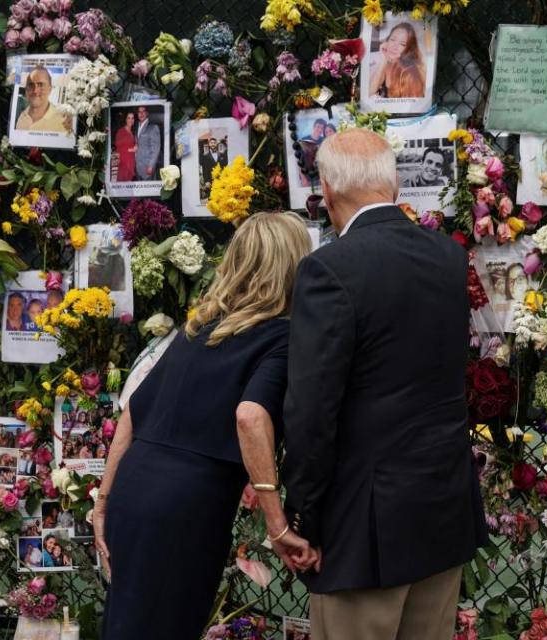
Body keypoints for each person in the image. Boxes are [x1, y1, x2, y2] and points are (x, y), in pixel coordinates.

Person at [282, 128, 488, 639]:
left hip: (364, 523)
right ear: (395, 184)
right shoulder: (447, 255)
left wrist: (302, 518)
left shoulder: (328, 269)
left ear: (327, 191)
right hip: (442, 506)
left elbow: (311, 409)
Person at [95, 212, 315, 640]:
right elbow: (250, 416)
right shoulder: (279, 337)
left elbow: (132, 412)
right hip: (184, 508)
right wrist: (278, 525)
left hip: (134, 490)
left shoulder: (200, 328)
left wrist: (103, 502)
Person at [368, 22, 426, 99]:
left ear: (408, 49)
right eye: (392, 40)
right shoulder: (383, 65)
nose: (395, 46)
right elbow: (369, 94)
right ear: (387, 41)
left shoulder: (410, 74)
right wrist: (383, 60)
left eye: (402, 44)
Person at [15, 67, 73, 133]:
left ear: (50, 89)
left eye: (40, 85)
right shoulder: (22, 117)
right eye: (31, 85)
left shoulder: (62, 121)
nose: (35, 91)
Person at [134, 105, 162, 181]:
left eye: (143, 111)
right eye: (139, 112)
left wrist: (151, 166)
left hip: (147, 168)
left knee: (149, 192)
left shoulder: (153, 127)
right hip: (137, 168)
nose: (141, 114)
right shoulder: (136, 127)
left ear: (147, 113)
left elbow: (156, 149)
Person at [113, 110, 137, 182]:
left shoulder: (133, 132)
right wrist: (131, 150)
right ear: (126, 119)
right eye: (128, 118)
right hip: (123, 164)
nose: (130, 120)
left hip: (130, 163)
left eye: (132, 118)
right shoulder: (121, 131)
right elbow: (118, 147)